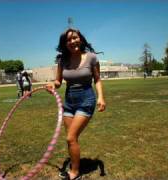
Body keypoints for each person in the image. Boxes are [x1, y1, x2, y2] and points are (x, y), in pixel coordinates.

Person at [46, 28, 106, 180]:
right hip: (69, 102)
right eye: (69, 40)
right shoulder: (62, 60)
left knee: (70, 138)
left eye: (75, 38)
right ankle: (75, 164)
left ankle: (75, 172)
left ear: (81, 39)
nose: (73, 41)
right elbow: (58, 81)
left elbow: (97, 79)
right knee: (71, 138)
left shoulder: (91, 58)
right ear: (65, 44)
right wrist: (53, 84)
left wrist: (101, 98)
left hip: (86, 100)